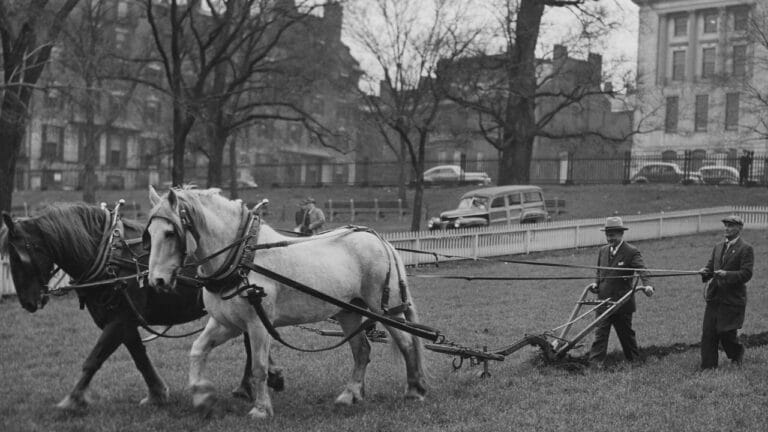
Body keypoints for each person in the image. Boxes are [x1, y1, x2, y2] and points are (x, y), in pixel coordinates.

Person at [587, 216, 653, 366]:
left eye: (613, 235)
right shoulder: (603, 251)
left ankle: (634, 362)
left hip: (621, 303)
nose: (609, 238)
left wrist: (648, 285)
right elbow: (599, 272)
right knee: (600, 335)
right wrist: (596, 284)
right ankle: (595, 365)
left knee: (626, 335)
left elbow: (643, 270)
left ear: (621, 234)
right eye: (607, 235)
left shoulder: (631, 251)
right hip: (603, 301)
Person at [698, 214, 754, 370]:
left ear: (739, 228)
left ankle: (737, 353)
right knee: (708, 332)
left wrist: (727, 274)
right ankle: (708, 367)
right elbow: (711, 267)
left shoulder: (746, 249)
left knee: (726, 333)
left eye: (731, 226)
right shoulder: (718, 247)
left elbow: (746, 274)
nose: (727, 228)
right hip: (714, 296)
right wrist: (705, 271)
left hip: (732, 299)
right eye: (726, 225)